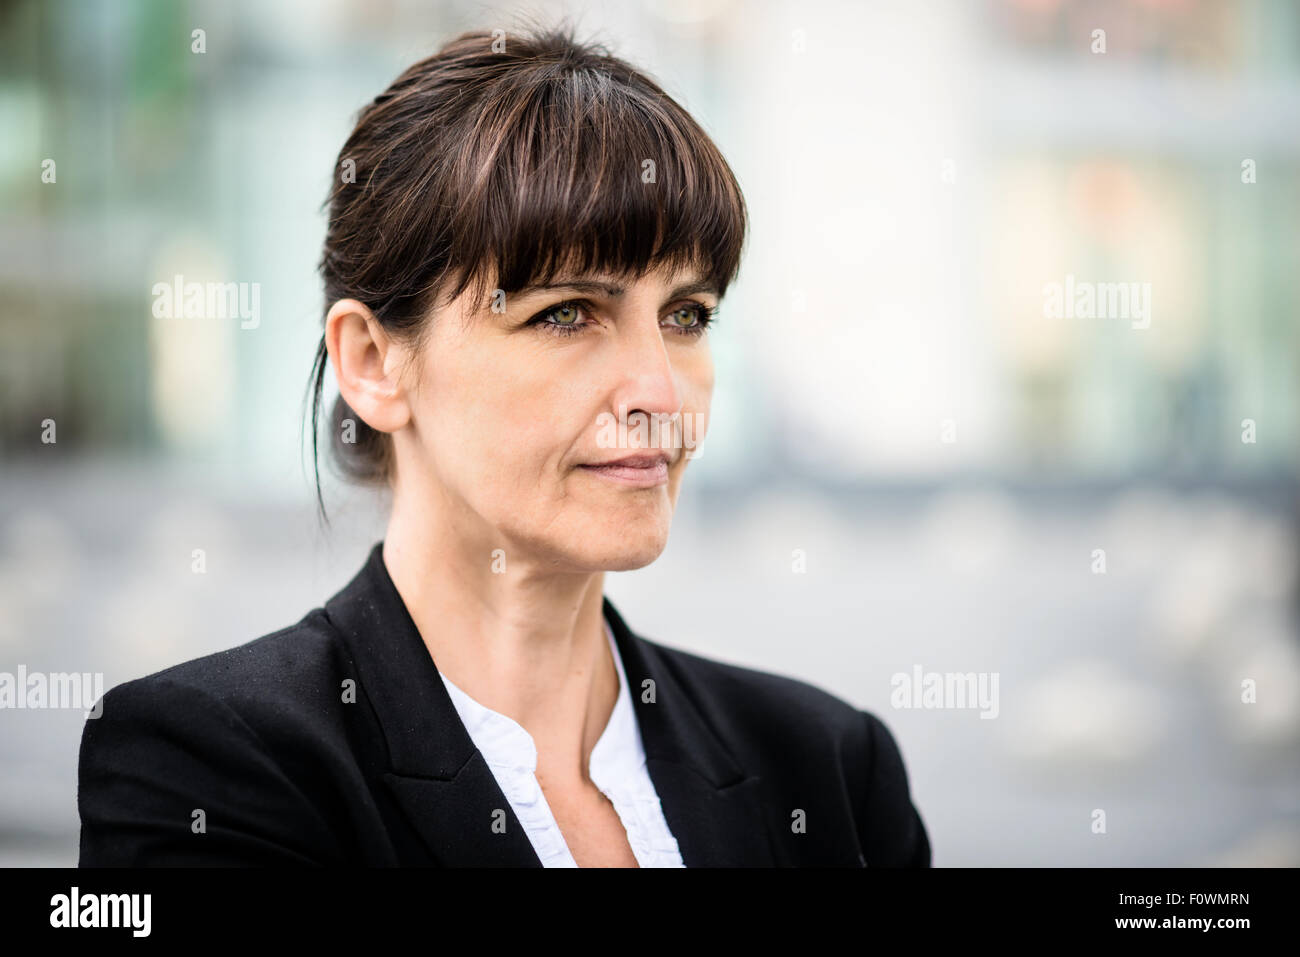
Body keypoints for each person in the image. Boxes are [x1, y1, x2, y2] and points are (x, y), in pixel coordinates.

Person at [77, 23, 931, 868]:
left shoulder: (827, 770)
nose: (661, 394)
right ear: (373, 362)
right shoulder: (210, 768)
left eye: (686, 315)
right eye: (565, 313)